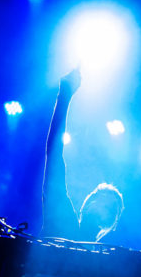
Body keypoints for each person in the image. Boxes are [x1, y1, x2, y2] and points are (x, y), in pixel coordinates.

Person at [41, 68, 125, 243]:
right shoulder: (62, 221)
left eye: (109, 205)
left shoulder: (106, 258)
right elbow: (54, 157)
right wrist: (64, 96)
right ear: (86, 204)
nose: (99, 202)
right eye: (97, 196)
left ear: (112, 222)